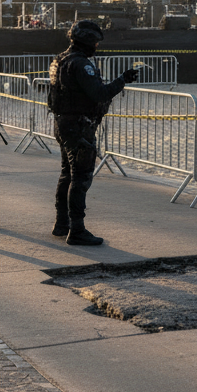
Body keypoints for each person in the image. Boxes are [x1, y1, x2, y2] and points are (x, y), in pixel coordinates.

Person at [47, 20, 138, 246]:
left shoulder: (60, 60)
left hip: (63, 123)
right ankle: (77, 229)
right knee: (81, 178)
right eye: (95, 42)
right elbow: (99, 93)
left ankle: (62, 223)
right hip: (79, 126)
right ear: (87, 41)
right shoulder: (80, 64)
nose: (97, 47)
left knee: (67, 174)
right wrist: (122, 80)